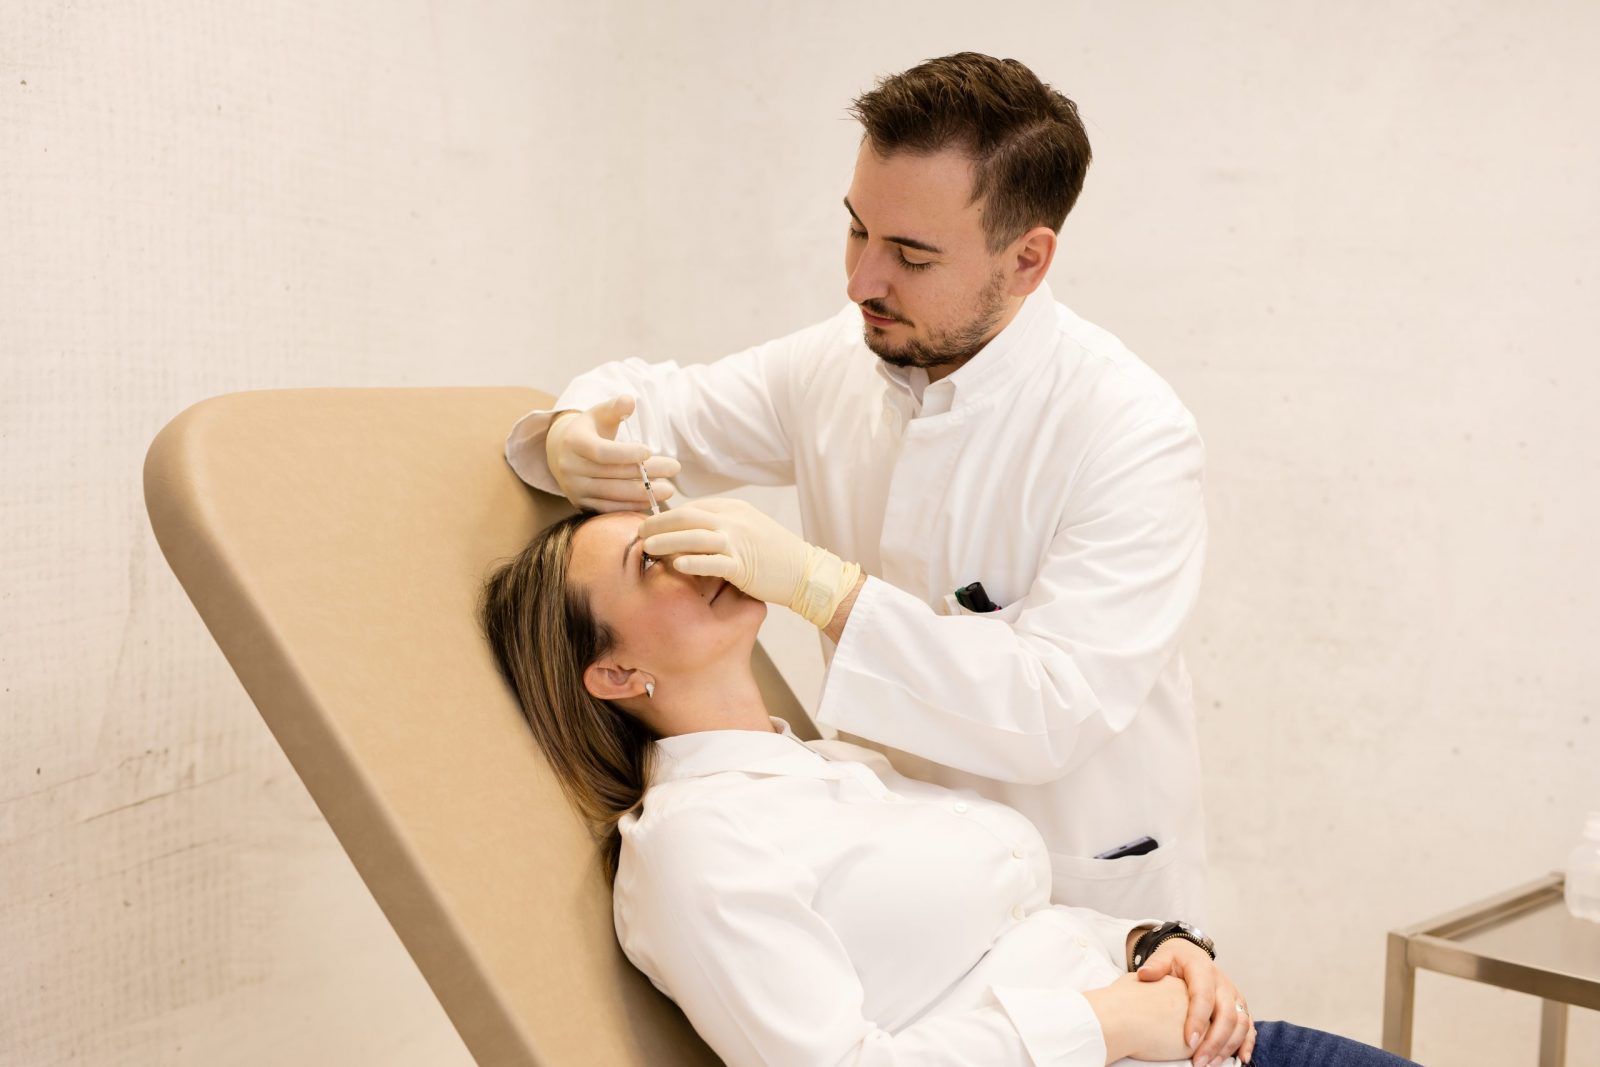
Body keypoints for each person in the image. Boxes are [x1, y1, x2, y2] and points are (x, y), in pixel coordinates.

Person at [505, 52, 1210, 927]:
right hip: (894, 875)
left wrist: (822, 589)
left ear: (1027, 260)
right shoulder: (838, 360)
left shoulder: (1129, 431)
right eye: (856, 230)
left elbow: (1050, 708)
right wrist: (571, 436)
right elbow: (651, 402)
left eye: (911, 255)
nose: (860, 282)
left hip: (1080, 881)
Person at [477, 511, 1416, 1067]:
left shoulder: (824, 764)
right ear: (614, 673)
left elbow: (1007, 925)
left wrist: (1154, 947)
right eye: (652, 561)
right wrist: (1107, 1018)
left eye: (679, 529)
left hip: (1201, 1037)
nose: (704, 551)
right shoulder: (693, 847)